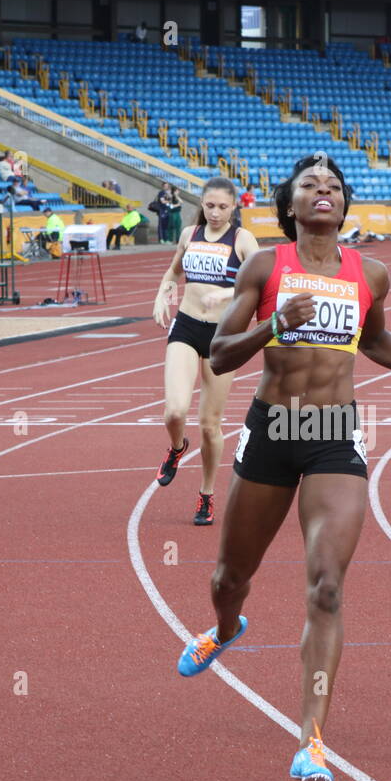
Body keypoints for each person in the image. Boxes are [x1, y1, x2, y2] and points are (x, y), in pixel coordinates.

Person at [174, 153, 391, 781]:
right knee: (228, 577)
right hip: (273, 428)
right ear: (291, 204)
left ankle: (312, 742)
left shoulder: (372, 273)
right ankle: (225, 628)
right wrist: (275, 323)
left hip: (333, 434)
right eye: (310, 185)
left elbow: (373, 338)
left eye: (333, 186)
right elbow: (218, 356)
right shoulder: (264, 265)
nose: (323, 192)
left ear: (344, 203)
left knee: (327, 587)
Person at [151, 177, 259, 525]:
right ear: (202, 203)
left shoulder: (242, 240)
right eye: (209, 205)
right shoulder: (189, 234)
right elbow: (173, 270)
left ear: (233, 208)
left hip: (222, 335)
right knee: (174, 411)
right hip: (186, 325)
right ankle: (178, 447)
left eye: (222, 207)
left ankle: (206, 494)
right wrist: (162, 293)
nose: (215, 212)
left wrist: (226, 295)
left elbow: (259, 281)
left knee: (210, 426)